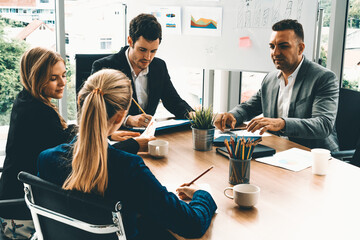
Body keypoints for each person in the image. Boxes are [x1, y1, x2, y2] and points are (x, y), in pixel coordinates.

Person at [37, 69, 217, 239]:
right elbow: (191, 225)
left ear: (80, 102)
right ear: (120, 117)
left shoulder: (46, 159)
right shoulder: (129, 169)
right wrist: (202, 194)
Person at [0, 47, 152, 211]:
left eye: (64, 75)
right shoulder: (40, 113)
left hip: (12, 194)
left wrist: (107, 133)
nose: (62, 83)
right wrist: (134, 144)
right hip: (21, 209)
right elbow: (85, 156)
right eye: (53, 78)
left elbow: (61, 135)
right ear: (35, 78)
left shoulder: (26, 100)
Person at [214, 19, 339, 151]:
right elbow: (249, 107)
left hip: (313, 156)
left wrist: (282, 123)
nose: (275, 52)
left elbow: (323, 125)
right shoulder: (271, 79)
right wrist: (232, 116)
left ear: (300, 48)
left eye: (283, 46)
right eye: (272, 46)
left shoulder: (324, 78)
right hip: (278, 150)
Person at [91, 13, 193, 128]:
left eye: (153, 51)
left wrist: (195, 115)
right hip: (115, 136)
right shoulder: (104, 66)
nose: (148, 57)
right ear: (130, 41)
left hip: (148, 136)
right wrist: (127, 120)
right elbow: (94, 110)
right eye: (142, 50)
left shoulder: (159, 66)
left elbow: (173, 101)